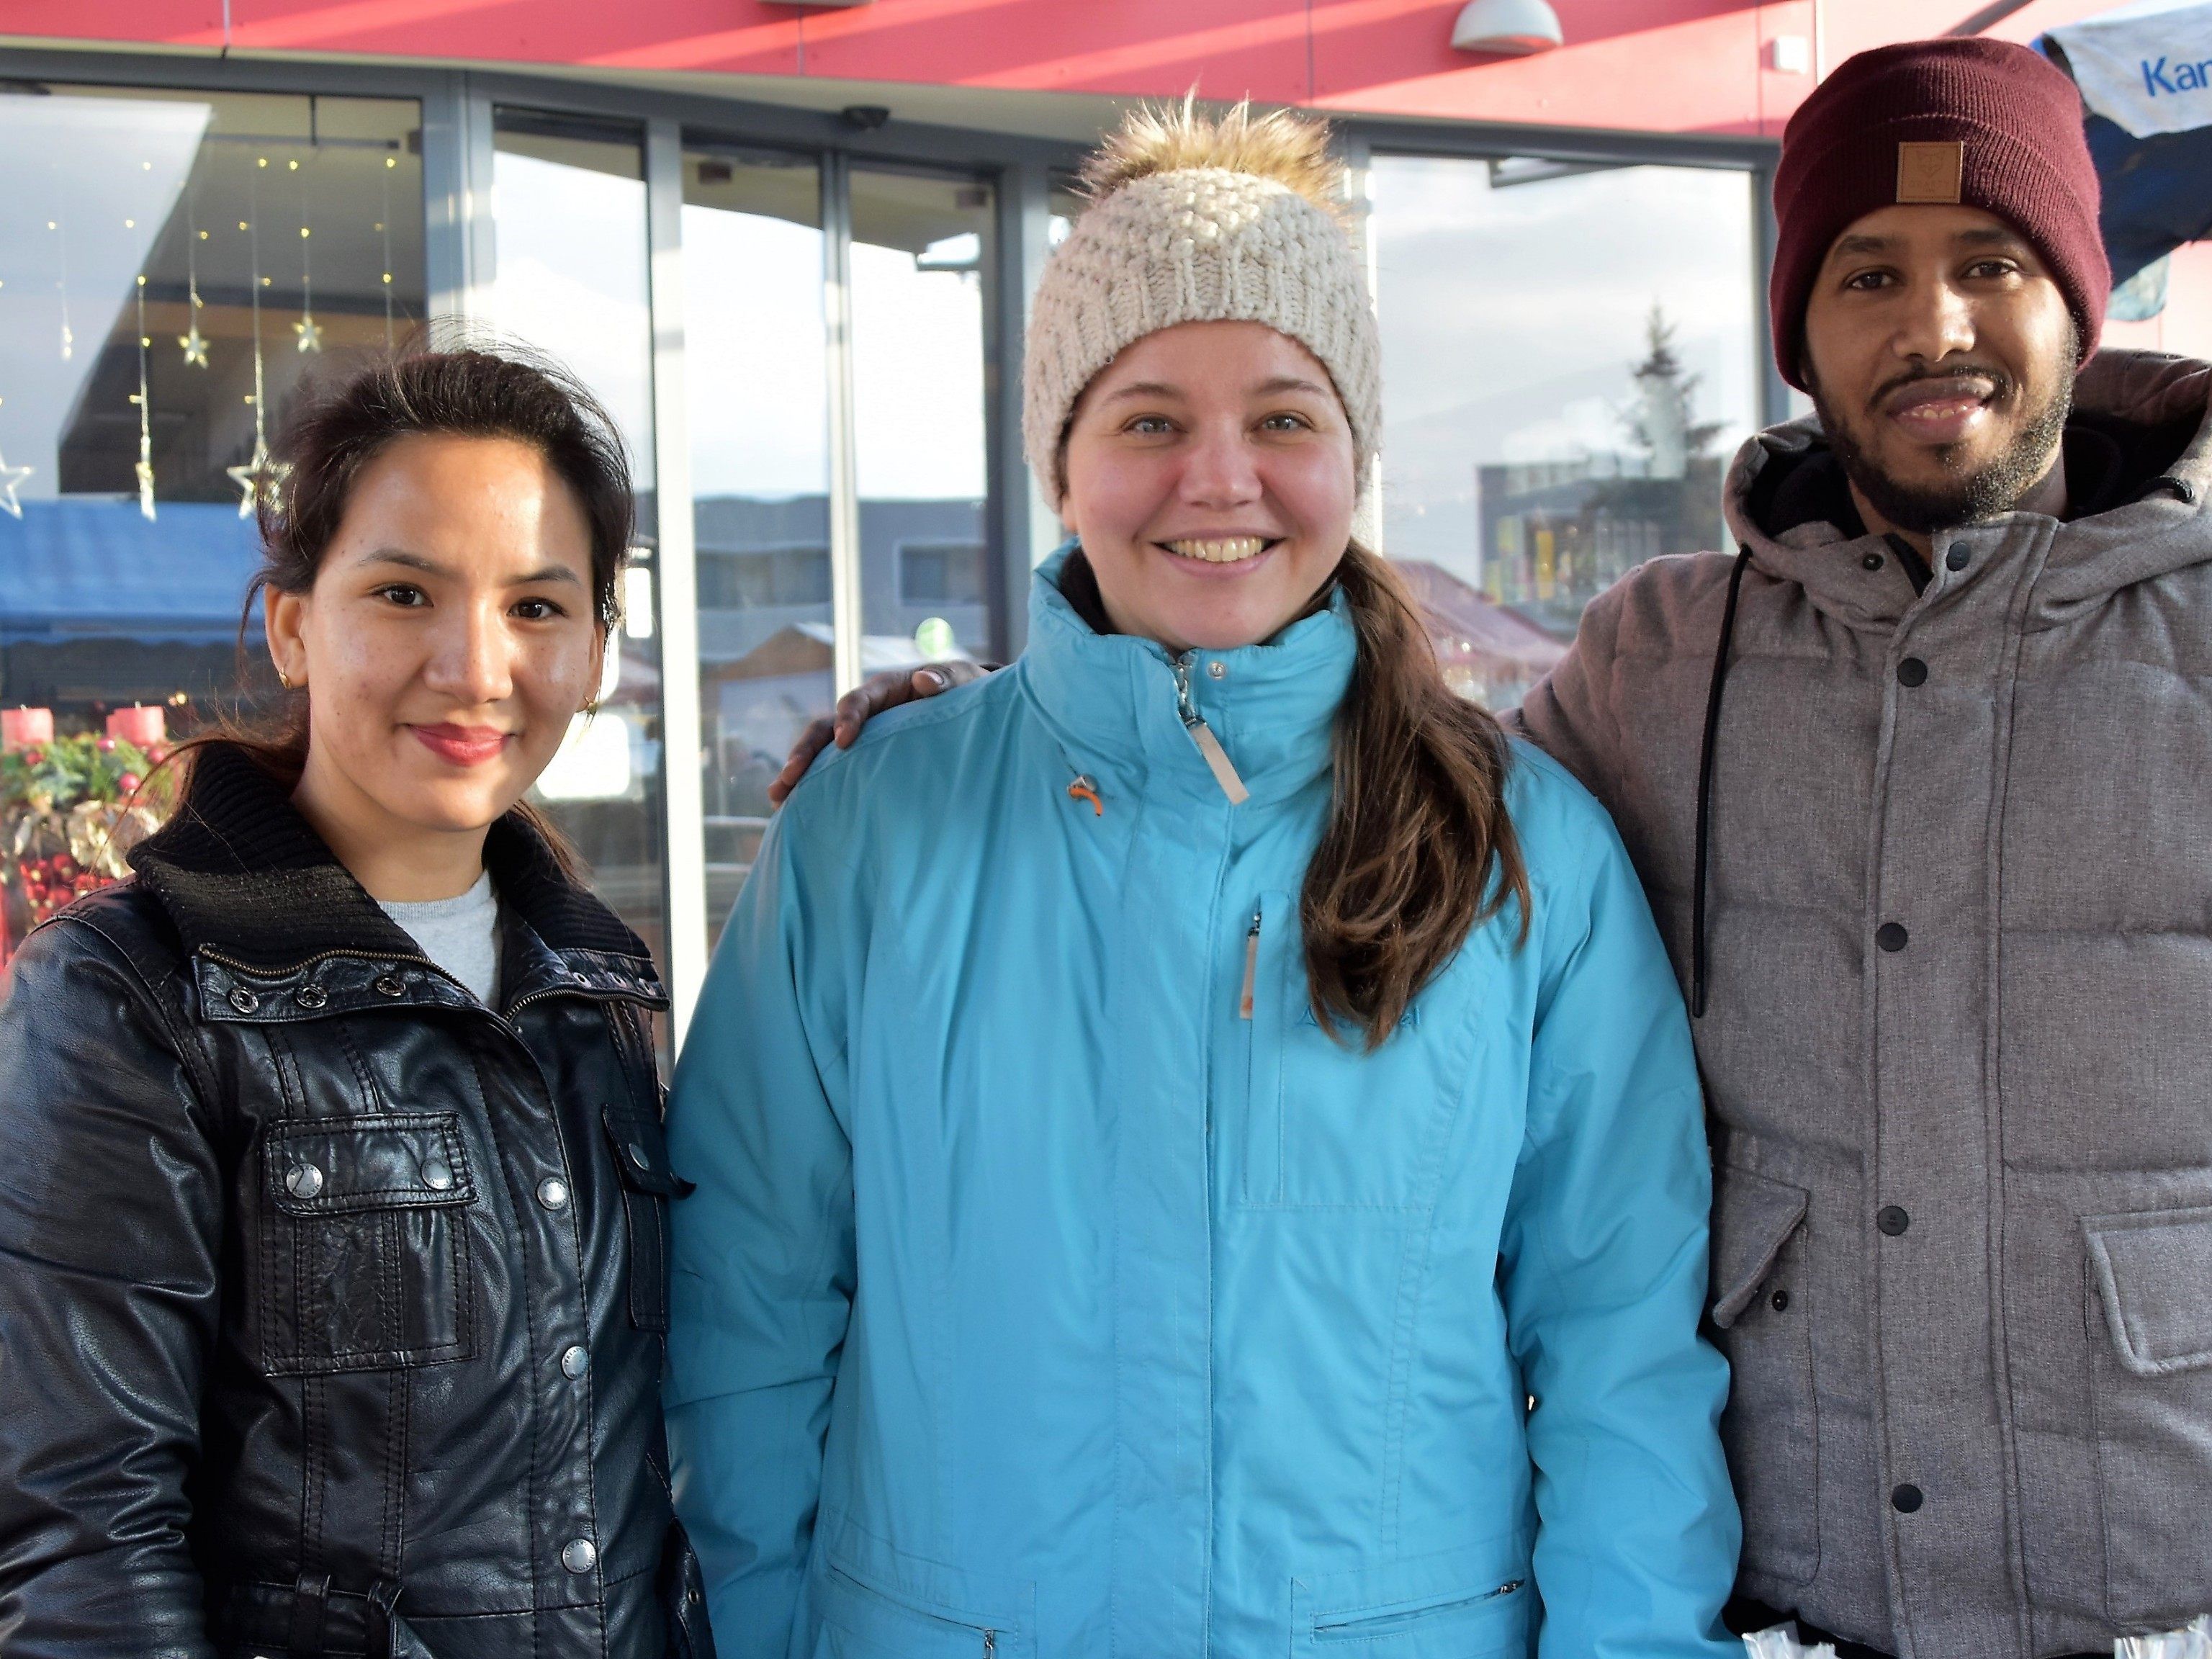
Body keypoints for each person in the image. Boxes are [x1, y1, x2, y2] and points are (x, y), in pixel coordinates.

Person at [801, 40, 2212, 1659]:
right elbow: (1305, 783)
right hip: (1810, 1603)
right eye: (1870, 271)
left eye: (1993, 264)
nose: (1932, 322)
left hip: (2164, 1590)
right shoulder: (1668, 660)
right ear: (1801, 332)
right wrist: (1017, 719)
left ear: (2084, 299)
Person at [665, 101, 1739, 1659]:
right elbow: (746, 1316)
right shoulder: (871, 833)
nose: (1220, 480)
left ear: (1355, 454)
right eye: (1151, 419)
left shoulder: (1527, 853)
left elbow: (1620, 1345)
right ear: (1064, 459)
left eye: (1286, 419)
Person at [0, 349, 715, 1659]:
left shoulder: (597, 989)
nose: (476, 667)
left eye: (539, 608)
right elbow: (82, 1536)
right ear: (291, 622)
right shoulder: (134, 990)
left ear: (600, 651)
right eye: (403, 592)